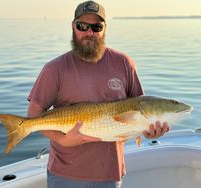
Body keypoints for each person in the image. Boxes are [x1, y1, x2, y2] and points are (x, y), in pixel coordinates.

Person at [27, 1, 169, 188]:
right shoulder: (55, 69)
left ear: (104, 29)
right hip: (65, 174)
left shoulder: (124, 63)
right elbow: (32, 116)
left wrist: (149, 131)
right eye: (82, 26)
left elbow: (140, 110)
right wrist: (64, 140)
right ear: (73, 26)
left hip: (110, 174)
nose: (89, 32)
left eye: (96, 27)